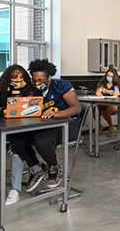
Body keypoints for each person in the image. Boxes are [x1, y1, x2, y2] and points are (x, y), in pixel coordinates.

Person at [0, 64, 44, 205]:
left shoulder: (31, 89)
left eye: (21, 77)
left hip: (23, 129)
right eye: (14, 77)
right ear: (7, 78)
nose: (18, 80)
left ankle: (15, 190)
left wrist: (24, 91)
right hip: (1, 127)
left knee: (18, 147)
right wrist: (3, 110)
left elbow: (37, 106)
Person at [28, 59, 82, 189]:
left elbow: (76, 108)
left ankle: (53, 167)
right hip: (44, 125)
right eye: (34, 80)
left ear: (49, 78)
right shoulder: (32, 89)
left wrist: (56, 114)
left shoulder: (62, 86)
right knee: (18, 139)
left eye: (40, 80)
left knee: (41, 141)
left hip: (68, 124)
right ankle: (36, 168)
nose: (37, 83)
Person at [95, 65, 120, 136]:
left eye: (111, 76)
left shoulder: (116, 85)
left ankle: (111, 126)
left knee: (105, 111)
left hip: (114, 104)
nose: (109, 78)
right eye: (108, 76)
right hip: (103, 103)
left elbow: (117, 94)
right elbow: (98, 92)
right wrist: (99, 93)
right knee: (95, 110)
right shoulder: (103, 83)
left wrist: (108, 92)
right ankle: (99, 126)